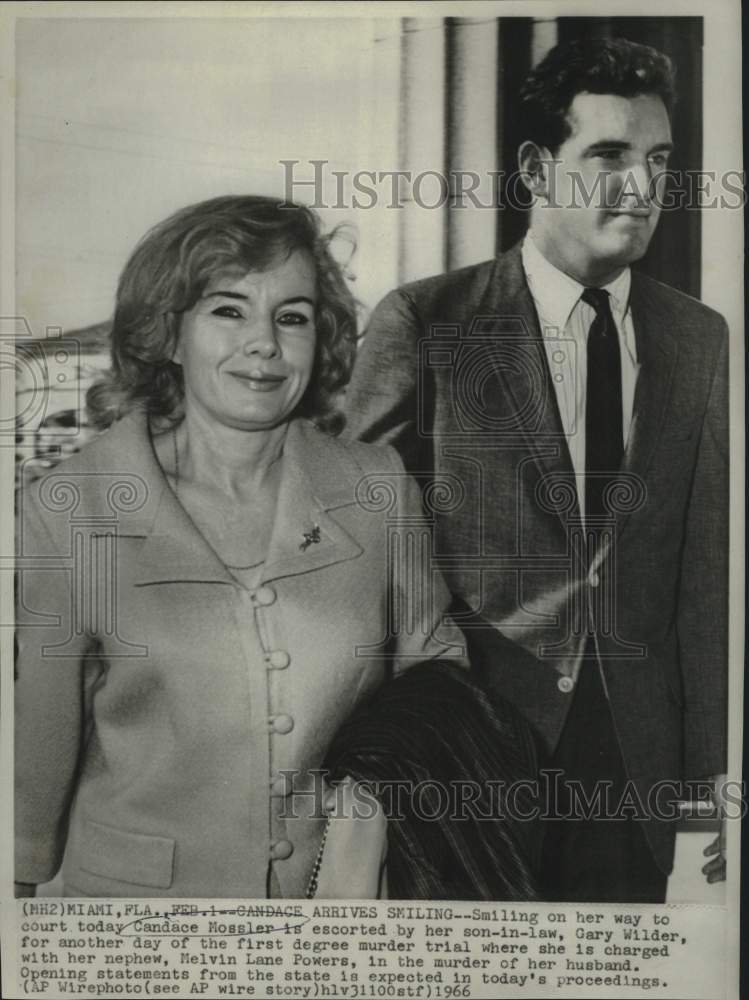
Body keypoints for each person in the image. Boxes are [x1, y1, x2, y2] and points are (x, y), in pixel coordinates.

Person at [344, 37, 728, 903]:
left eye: (657, 160)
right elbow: (355, 553)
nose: (640, 187)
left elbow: (704, 577)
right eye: (606, 156)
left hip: (632, 778)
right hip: (463, 763)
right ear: (533, 167)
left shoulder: (699, 339)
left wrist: (708, 781)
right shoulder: (423, 321)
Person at [14, 194, 480, 899]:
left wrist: (369, 818)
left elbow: (437, 677)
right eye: (227, 309)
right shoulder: (68, 508)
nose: (263, 343)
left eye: (290, 317)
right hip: (133, 925)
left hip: (335, 914)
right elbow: (33, 759)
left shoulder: (378, 488)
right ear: (169, 335)